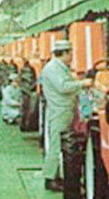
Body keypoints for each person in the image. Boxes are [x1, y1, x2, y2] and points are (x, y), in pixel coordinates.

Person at [39, 40, 92, 191]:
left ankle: (58, 177)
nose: (72, 56)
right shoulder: (53, 68)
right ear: (65, 53)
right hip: (59, 112)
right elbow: (63, 87)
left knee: (63, 146)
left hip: (64, 110)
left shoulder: (60, 68)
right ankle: (50, 179)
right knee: (56, 146)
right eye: (71, 53)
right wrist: (83, 83)